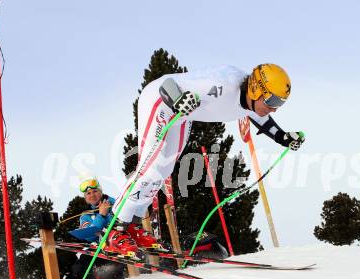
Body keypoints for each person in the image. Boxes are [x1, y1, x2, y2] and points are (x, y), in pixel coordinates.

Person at [113, 63, 304, 224]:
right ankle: (117, 224)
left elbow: (257, 116)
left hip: (182, 115)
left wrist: (282, 137)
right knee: (151, 165)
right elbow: (167, 84)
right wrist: (178, 100)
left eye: (280, 103)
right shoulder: (222, 85)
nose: (274, 109)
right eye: (272, 100)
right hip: (161, 100)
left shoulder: (251, 102)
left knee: (164, 168)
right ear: (256, 89)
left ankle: (133, 222)